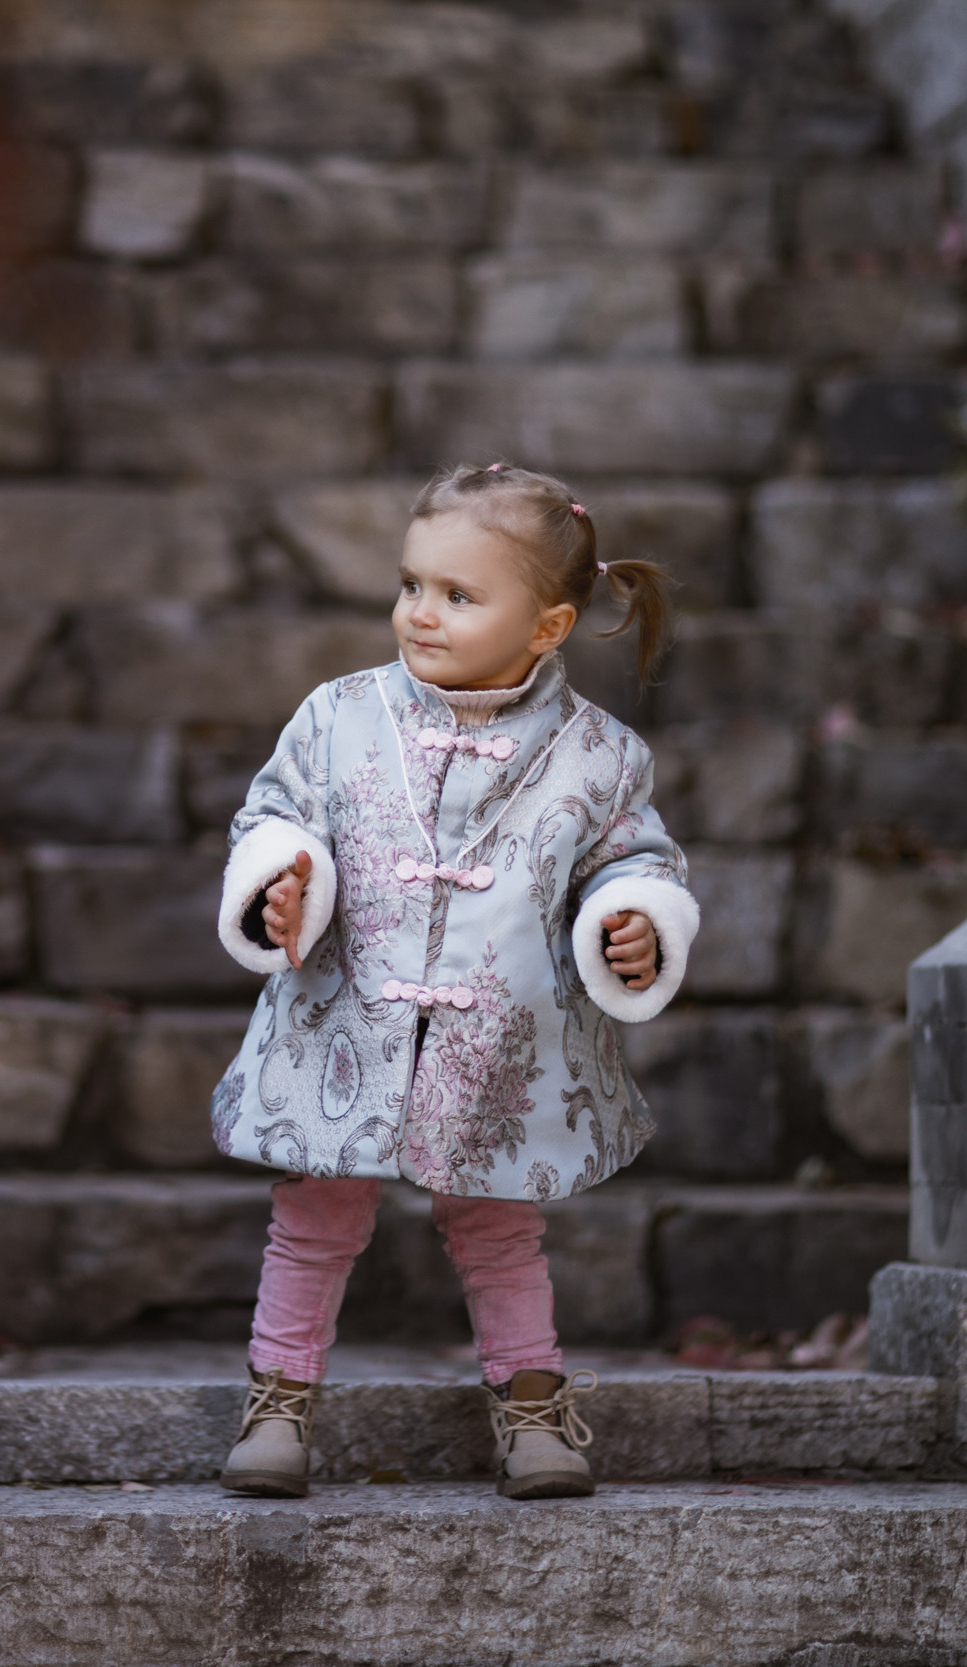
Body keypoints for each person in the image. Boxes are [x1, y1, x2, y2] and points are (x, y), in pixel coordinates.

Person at [209, 460, 695, 1500]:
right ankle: (279, 1398)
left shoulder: (598, 757)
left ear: (548, 625)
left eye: (459, 595)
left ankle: (530, 1404)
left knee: (496, 1219)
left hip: (504, 1040)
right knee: (315, 1207)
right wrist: (280, 883)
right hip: (345, 1017)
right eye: (411, 583)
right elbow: (278, 814)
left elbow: (631, 858)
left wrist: (633, 920)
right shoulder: (338, 716)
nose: (420, 613)